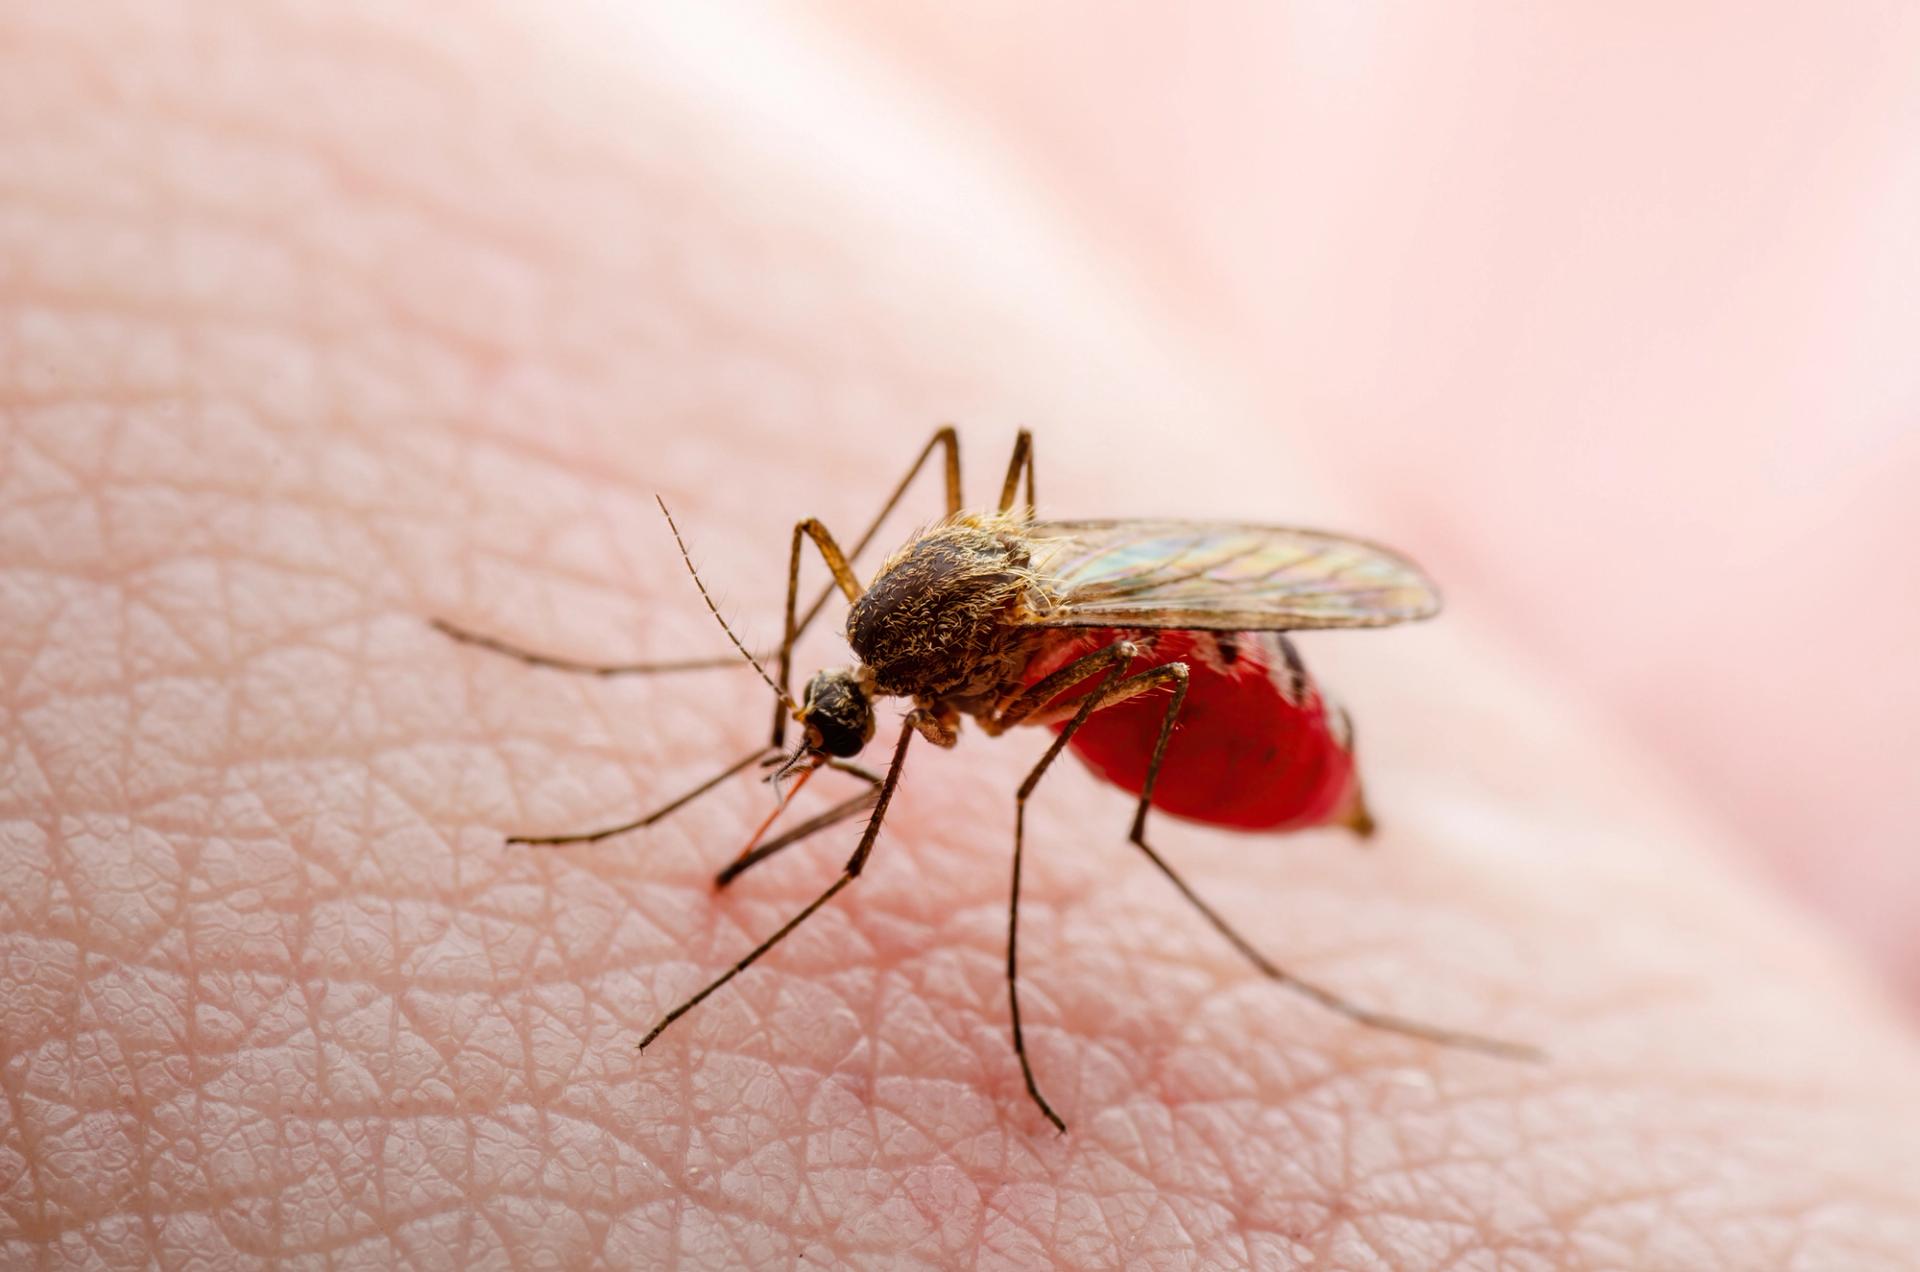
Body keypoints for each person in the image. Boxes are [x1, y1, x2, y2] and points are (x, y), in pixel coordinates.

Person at [2, 5, 1916, 1267]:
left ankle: (1292, 933)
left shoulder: (932, 668)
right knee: (965, 605)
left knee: (1024, 809)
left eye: (822, 715)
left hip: (1206, 687)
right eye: (816, 711)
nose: (822, 723)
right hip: (1092, 624)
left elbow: (924, 765)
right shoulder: (878, 639)